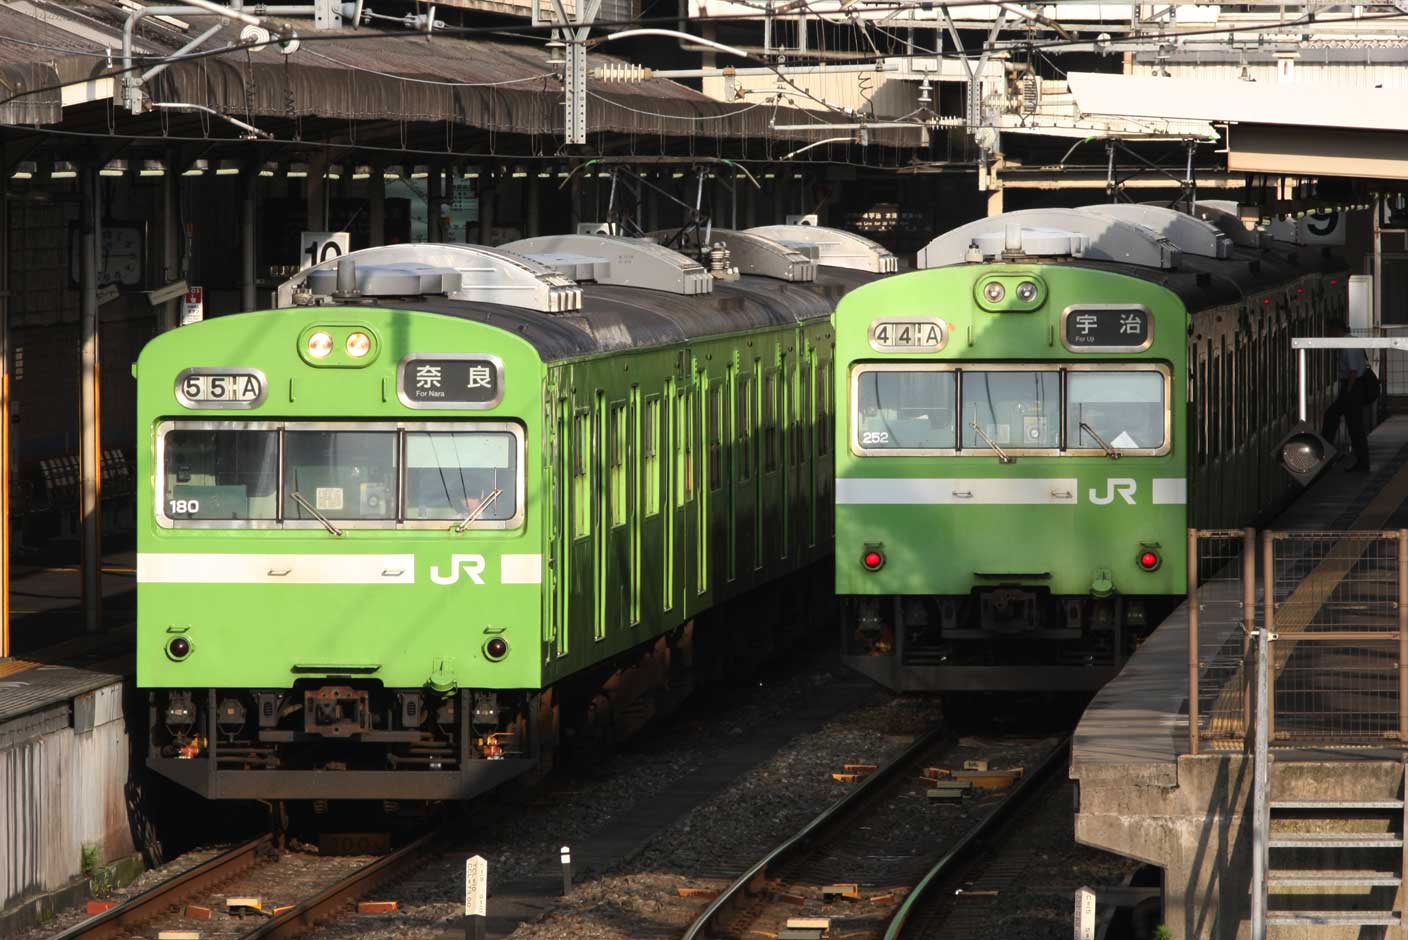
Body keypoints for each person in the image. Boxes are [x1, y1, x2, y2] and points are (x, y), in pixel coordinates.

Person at [1320, 318, 1370, 472]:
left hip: (1352, 387)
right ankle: (1360, 461)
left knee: (1346, 422)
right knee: (1349, 423)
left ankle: (1324, 454)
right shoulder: (1351, 341)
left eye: (1329, 331)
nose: (1327, 335)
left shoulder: (1348, 345)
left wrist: (1347, 392)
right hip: (1352, 387)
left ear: (1336, 330)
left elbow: (1353, 371)